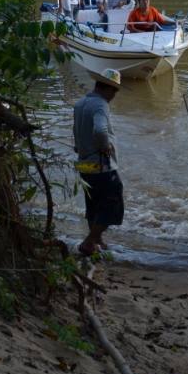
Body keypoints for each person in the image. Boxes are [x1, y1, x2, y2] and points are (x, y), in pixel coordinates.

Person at [73, 68, 124, 256]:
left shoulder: (80, 103)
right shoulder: (101, 105)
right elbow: (100, 130)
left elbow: (75, 131)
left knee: (92, 203)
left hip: (83, 163)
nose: (114, 96)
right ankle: (88, 242)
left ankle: (96, 239)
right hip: (101, 165)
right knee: (112, 203)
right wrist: (105, 146)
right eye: (115, 91)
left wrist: (80, 147)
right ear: (108, 89)